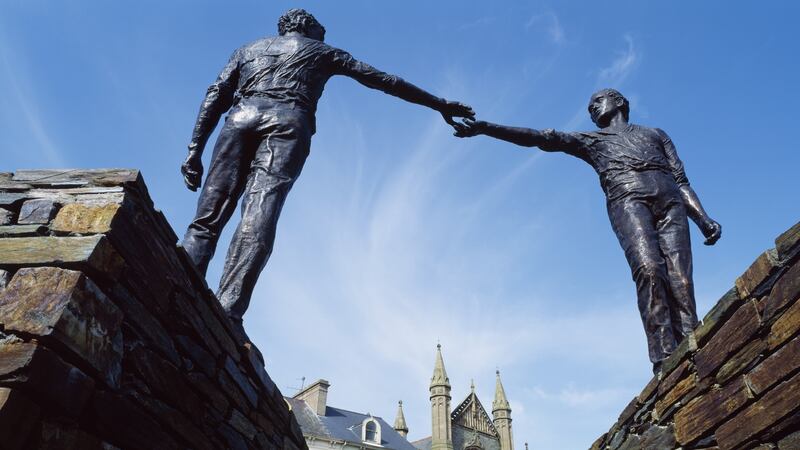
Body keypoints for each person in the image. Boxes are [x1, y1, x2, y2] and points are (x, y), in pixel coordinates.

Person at [180, 9, 474, 335]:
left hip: (240, 117)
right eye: (321, 29)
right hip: (287, 121)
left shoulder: (248, 49)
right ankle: (228, 312)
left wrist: (194, 149)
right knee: (260, 211)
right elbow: (385, 81)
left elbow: (216, 94)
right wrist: (440, 104)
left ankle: (178, 290)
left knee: (207, 215)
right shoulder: (322, 51)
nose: (324, 33)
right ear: (307, 26)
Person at [453, 89, 721, 373]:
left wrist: (703, 219)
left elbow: (680, 181)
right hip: (629, 200)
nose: (592, 110)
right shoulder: (592, 141)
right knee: (650, 269)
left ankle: (694, 343)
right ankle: (666, 358)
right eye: (590, 108)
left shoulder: (656, 134)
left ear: (618, 102)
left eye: (596, 102)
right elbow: (540, 138)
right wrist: (486, 128)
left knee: (681, 278)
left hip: (671, 203)